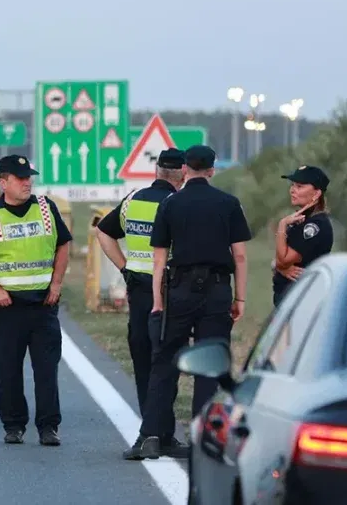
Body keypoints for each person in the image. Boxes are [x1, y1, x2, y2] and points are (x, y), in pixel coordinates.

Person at [123, 145, 252, 461]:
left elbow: (158, 259)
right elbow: (240, 255)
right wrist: (240, 298)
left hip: (178, 291)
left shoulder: (170, 203)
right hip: (218, 290)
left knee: (164, 362)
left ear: (184, 171)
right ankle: (202, 439)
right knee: (209, 364)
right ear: (211, 170)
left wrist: (157, 301)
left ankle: (151, 436)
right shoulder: (229, 203)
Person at [0, 155, 72, 446]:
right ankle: (14, 425)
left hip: (43, 305)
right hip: (8, 308)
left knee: (46, 371)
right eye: (21, 178)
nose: (28, 182)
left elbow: (64, 244)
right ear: (4, 182)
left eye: (29, 177)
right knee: (9, 371)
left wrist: (57, 283)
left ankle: (48, 427)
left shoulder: (46, 208)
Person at [95, 149, 185, 425]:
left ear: (156, 170)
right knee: (167, 360)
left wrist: (124, 267)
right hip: (169, 289)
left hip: (138, 288)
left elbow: (103, 231)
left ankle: (149, 426)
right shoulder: (178, 202)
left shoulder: (132, 200)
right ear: (182, 174)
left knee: (142, 356)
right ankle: (163, 430)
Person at [273, 165, 333, 305]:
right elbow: (278, 260)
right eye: (292, 185)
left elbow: (284, 259)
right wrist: (279, 267)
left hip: (300, 298)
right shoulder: (301, 220)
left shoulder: (315, 225)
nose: (292, 190)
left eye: (299, 186)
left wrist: (282, 225)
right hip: (290, 296)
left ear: (317, 194)